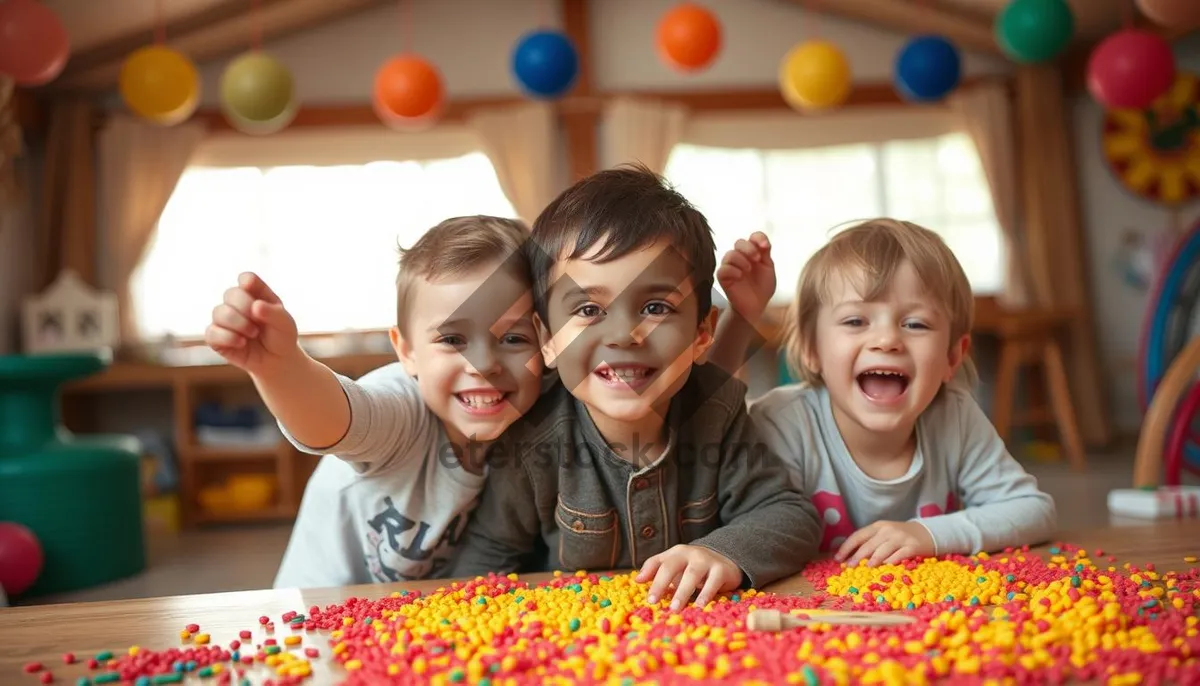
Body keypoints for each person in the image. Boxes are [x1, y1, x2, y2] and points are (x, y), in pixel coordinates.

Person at [445, 164, 823, 610]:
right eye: (588, 309)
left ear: (703, 332)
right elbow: (489, 554)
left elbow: (789, 515)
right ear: (546, 338)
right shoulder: (533, 437)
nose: (624, 335)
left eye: (655, 306)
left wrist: (720, 553)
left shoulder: (716, 411)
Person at [204, 216, 546, 588]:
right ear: (406, 351)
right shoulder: (402, 409)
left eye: (513, 338)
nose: (483, 366)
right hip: (320, 611)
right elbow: (335, 419)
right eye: (452, 340)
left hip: (422, 615)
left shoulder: (542, 418)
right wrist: (282, 369)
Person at [709, 220, 1056, 568]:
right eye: (855, 322)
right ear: (812, 349)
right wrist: (741, 318)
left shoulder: (955, 416)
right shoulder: (783, 422)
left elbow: (1033, 510)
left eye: (915, 324)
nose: (887, 340)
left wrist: (927, 534)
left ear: (953, 356)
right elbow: (704, 416)